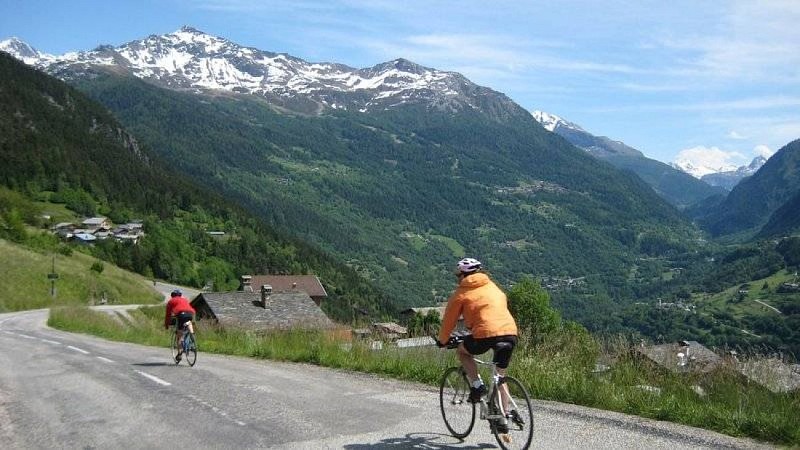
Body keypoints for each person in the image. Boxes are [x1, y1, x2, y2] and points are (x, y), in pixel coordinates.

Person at [437, 257, 518, 431]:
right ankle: (503, 418)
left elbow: (448, 322)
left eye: (458, 275)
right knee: (499, 376)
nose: (457, 279)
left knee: (463, 352)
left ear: (462, 275)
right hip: (510, 332)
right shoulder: (493, 286)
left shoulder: (461, 293)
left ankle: (477, 386)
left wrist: (442, 341)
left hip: (484, 334)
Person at [164, 289, 196, 362]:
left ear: (172, 296)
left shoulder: (171, 301)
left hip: (181, 314)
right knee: (189, 322)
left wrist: (166, 324)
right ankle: (192, 334)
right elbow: (187, 308)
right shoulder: (184, 299)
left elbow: (168, 315)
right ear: (180, 295)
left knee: (179, 336)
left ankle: (180, 354)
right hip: (191, 313)